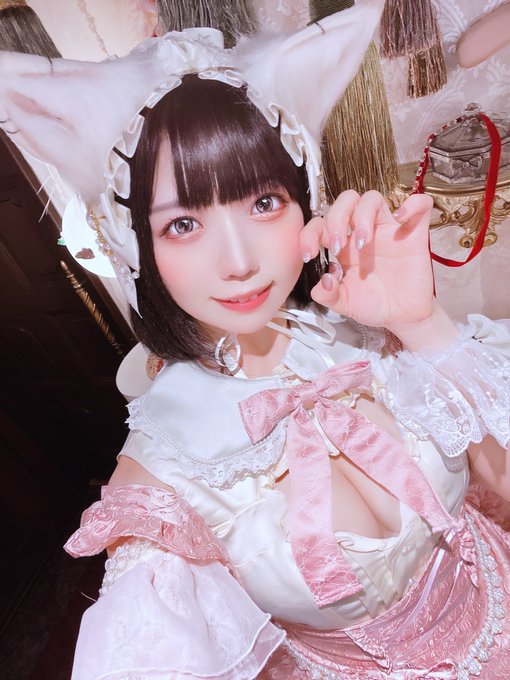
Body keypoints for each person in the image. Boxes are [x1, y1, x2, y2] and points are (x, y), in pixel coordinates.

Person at [1, 2, 509, 678]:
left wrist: (422, 325)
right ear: (138, 248)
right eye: (183, 224)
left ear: (304, 199)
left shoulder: (367, 332)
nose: (239, 261)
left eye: (263, 203)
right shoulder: (163, 472)